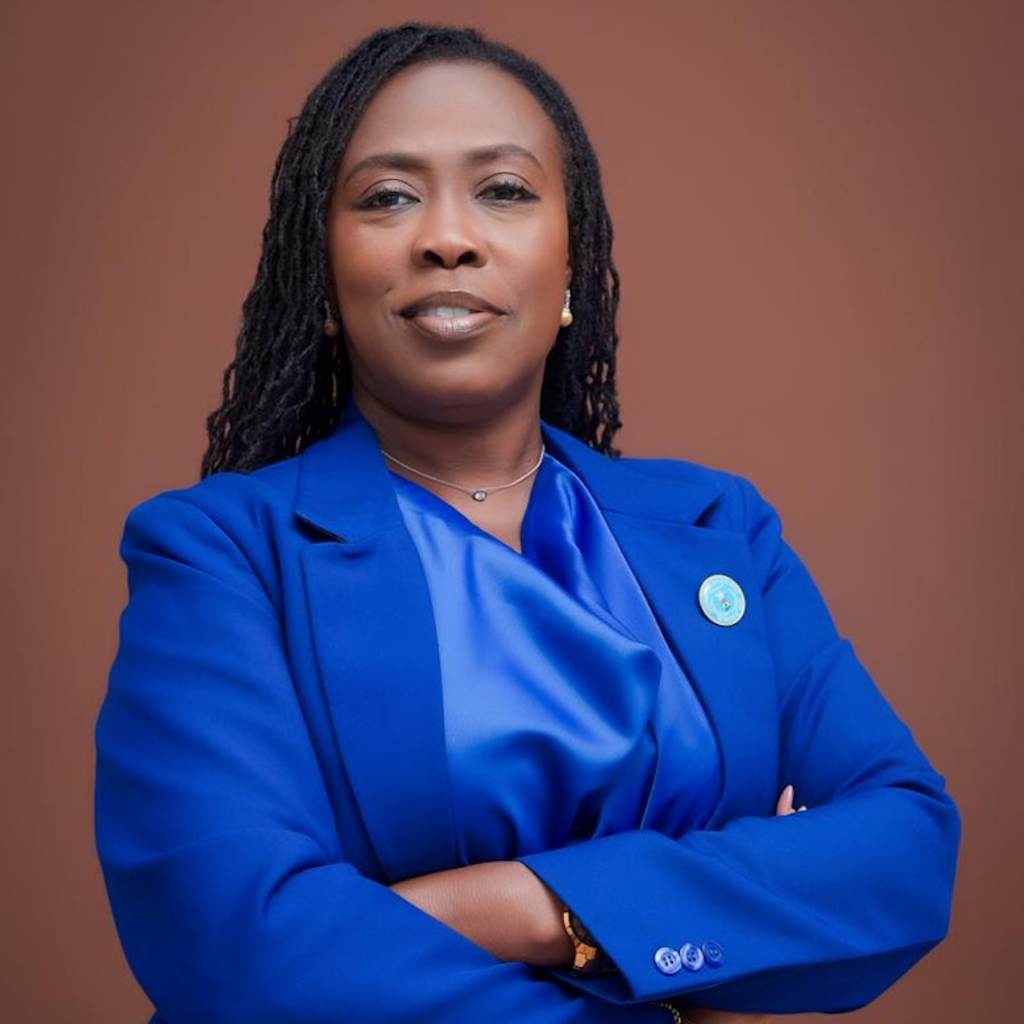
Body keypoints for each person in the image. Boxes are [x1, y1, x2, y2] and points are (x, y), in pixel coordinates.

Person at [95, 23, 959, 1024]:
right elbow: (237, 950)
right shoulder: (218, 555)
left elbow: (904, 850)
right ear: (323, 280)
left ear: (570, 267)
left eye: (503, 190)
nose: (447, 237)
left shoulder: (719, 526)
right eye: (387, 197)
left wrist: (531, 907)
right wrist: (699, 955)